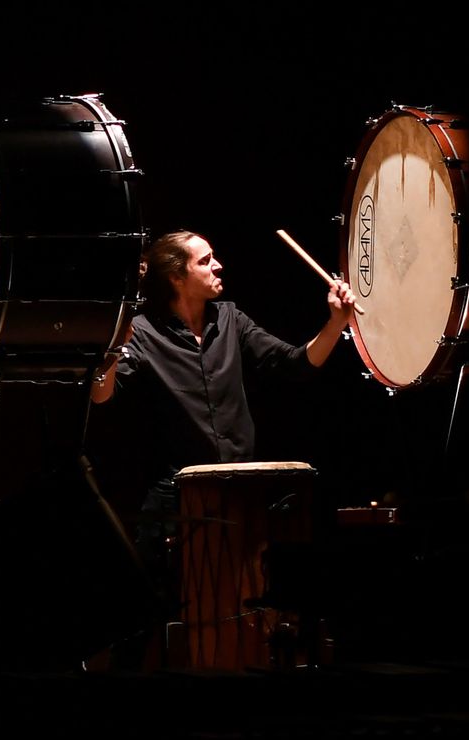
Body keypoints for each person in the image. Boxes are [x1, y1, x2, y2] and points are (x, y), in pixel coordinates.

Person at [89, 230, 355, 640]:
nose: (218, 265)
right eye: (205, 260)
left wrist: (336, 322)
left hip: (242, 490)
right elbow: (101, 396)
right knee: (152, 618)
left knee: (251, 609)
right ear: (177, 277)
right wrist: (109, 351)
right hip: (177, 495)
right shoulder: (142, 332)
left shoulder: (230, 318)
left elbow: (295, 364)